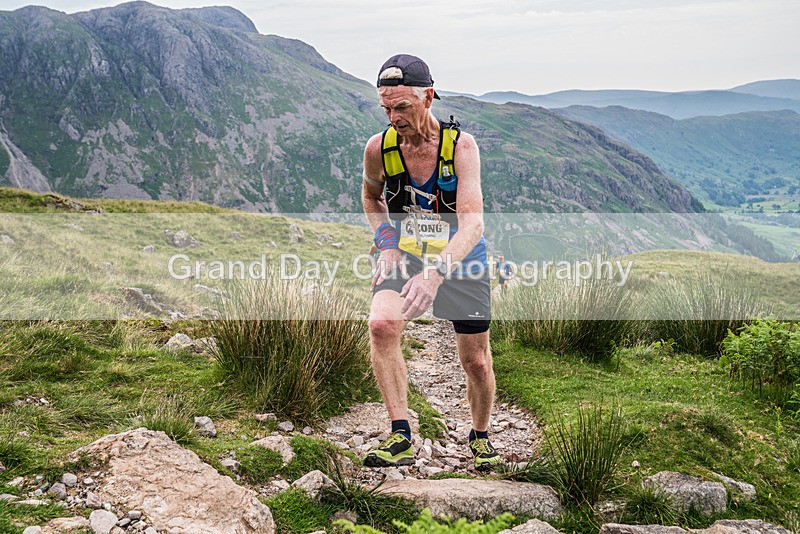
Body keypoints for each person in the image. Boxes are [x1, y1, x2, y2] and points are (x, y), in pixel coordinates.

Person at [360, 54, 502, 472]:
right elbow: (371, 198)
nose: (393, 116)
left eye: (401, 106)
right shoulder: (378, 148)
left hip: (460, 256)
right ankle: (400, 433)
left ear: (429, 96)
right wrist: (386, 242)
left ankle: (480, 434)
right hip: (404, 251)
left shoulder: (461, 147)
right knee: (382, 326)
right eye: (386, 107)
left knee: (476, 361)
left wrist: (436, 273)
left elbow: (473, 224)